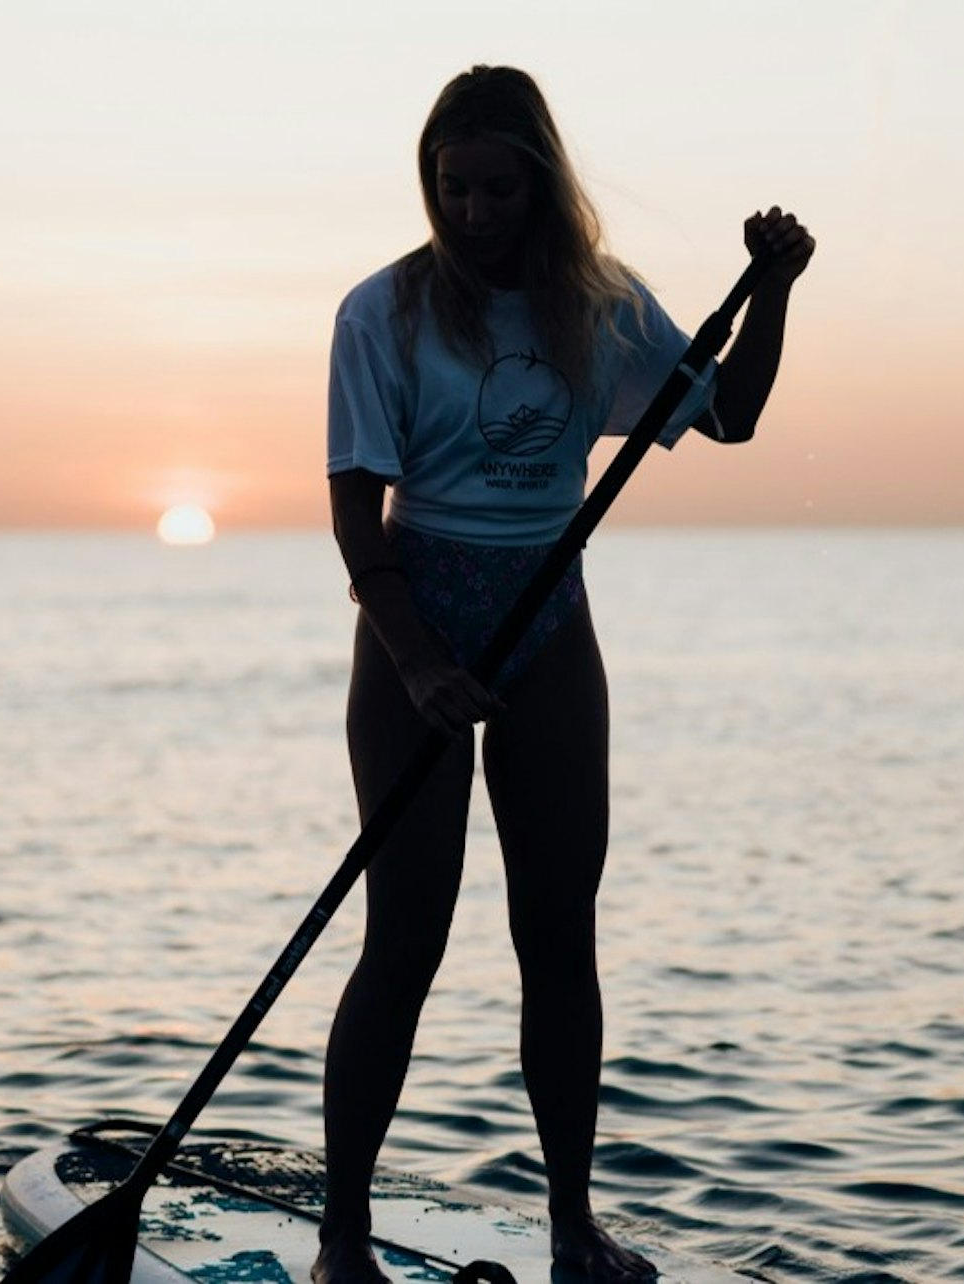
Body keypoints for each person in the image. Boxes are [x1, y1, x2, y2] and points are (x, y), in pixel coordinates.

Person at [317, 65, 814, 1284]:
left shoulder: (600, 304)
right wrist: (421, 662)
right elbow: (354, 512)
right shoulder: (380, 313)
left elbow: (731, 419)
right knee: (407, 940)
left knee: (559, 935)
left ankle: (573, 1229)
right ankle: (341, 1242)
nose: (477, 213)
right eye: (454, 190)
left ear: (543, 184)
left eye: (499, 188)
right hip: (415, 624)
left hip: (549, 622)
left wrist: (778, 295)